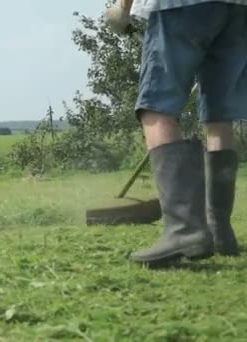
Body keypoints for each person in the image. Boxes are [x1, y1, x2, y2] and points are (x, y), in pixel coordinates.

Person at [105, 0, 247, 266]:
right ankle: (219, 230)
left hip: (179, 6)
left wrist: (123, 9)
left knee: (156, 106)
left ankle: (184, 229)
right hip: (236, 9)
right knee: (219, 114)